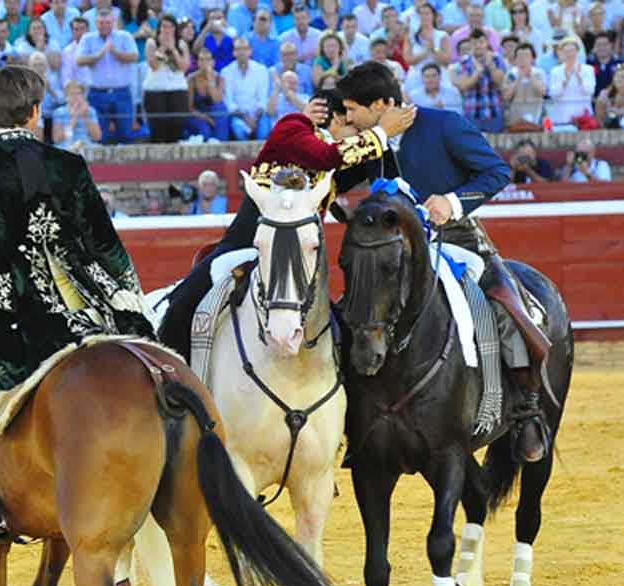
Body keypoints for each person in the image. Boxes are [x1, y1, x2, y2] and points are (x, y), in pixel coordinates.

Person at [0, 64, 153, 546]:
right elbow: (107, 247)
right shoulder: (70, 165)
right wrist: (130, 299)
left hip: (6, 315)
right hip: (83, 311)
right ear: (35, 112)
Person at [336, 61, 551, 463]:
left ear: (383, 103)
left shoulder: (442, 125)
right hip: (395, 256)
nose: (350, 119)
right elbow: (335, 178)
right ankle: (354, 420)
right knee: (352, 313)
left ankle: (527, 409)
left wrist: (451, 202)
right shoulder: (371, 141)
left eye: (353, 111)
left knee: (508, 310)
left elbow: (496, 171)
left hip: (457, 241)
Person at [157, 87, 416, 360]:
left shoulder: (330, 167)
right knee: (185, 301)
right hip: (249, 241)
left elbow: (378, 172)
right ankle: (168, 368)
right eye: (357, 127)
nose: (361, 137)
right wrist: (380, 132)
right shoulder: (293, 126)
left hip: (299, 261)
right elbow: (327, 156)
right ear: (338, 120)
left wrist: (385, 127)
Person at [78, 8, 138, 144]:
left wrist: (115, 52)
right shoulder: (88, 39)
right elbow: (79, 60)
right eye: (101, 23)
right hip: (97, 93)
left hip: (121, 92)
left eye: (107, 22)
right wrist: (99, 54)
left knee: (126, 135)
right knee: (100, 137)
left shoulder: (125, 36)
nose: (104, 25)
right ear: (96, 23)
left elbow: (134, 57)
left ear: (113, 22)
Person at [142, 13, 189, 142]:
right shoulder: (151, 43)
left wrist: (173, 49)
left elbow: (184, 67)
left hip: (177, 90)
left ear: (175, 28)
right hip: (155, 91)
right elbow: (154, 66)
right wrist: (162, 48)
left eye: (170, 27)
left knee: (177, 127)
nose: (167, 30)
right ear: (159, 28)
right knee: (158, 128)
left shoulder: (182, 44)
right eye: (164, 26)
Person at [452, 28, 506, 132]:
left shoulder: (497, 59)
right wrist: (477, 73)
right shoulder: (464, 62)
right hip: (472, 113)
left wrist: (491, 66)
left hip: (494, 111)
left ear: (486, 43)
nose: (478, 45)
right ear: (470, 45)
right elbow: (464, 86)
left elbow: (500, 81)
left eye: (481, 42)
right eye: (474, 43)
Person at [222, 37, 270, 140]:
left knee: (263, 134)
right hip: (238, 115)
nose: (242, 52)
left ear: (250, 51)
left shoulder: (261, 70)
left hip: (258, 114)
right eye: (238, 49)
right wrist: (245, 118)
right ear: (234, 53)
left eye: (245, 49)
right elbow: (229, 101)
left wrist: (254, 119)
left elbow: (263, 100)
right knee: (239, 132)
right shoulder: (226, 72)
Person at [547, 36, 596, 128]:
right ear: (561, 53)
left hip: (583, 115)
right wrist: (565, 81)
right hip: (562, 116)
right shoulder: (555, 71)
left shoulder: (588, 69)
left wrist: (579, 77)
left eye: (572, 51)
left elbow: (590, 91)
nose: (570, 54)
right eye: (566, 51)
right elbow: (553, 93)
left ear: (577, 52)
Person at [183, 45, 229, 141]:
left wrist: (210, 79)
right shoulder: (191, 79)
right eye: (201, 60)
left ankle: (220, 142)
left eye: (208, 60)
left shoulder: (220, 78)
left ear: (213, 62)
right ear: (198, 63)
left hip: (214, 113)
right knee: (205, 132)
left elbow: (217, 100)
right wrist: (207, 119)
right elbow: (189, 108)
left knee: (221, 108)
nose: (205, 63)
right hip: (197, 114)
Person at [503, 41, 546, 128]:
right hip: (515, 116)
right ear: (515, 59)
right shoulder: (511, 74)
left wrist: (530, 76)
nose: (522, 59)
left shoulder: (539, 73)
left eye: (526, 56)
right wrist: (518, 79)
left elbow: (543, 92)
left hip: (535, 114)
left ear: (532, 58)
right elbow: (506, 96)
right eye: (520, 56)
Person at [52, 78, 102, 148]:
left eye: (79, 93)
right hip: (66, 146)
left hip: (86, 146)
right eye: (72, 94)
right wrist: (73, 119)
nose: (76, 97)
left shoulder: (90, 110)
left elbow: (97, 137)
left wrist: (85, 116)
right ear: (66, 97)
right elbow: (56, 139)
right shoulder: (59, 112)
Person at [595, 62, 624, 127]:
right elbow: (599, 118)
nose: (619, 79)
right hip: (609, 130)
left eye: (623, 77)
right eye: (617, 77)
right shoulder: (605, 94)